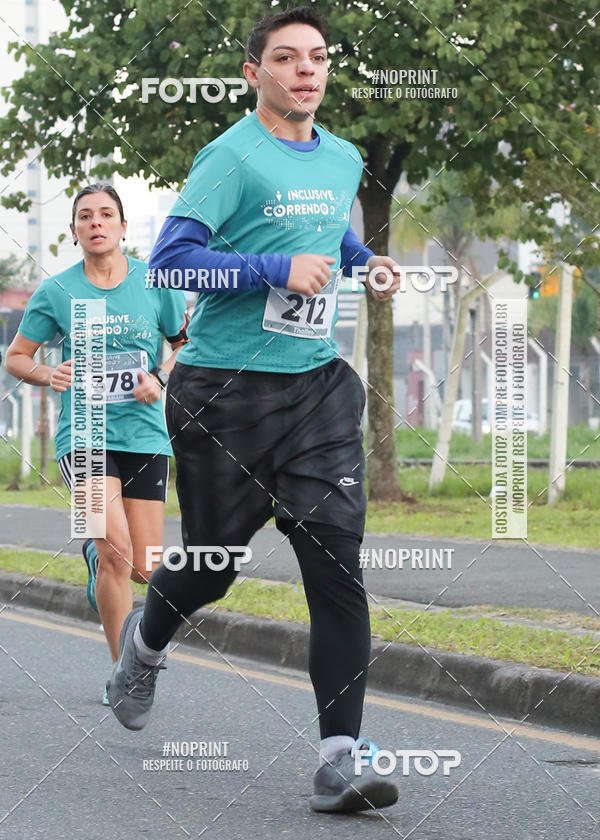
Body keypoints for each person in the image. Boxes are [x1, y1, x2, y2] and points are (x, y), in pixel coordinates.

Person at [107, 7, 401, 813]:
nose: (307, 70)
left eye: (317, 58)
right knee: (212, 568)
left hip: (315, 389)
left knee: (337, 563)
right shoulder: (230, 157)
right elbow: (170, 263)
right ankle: (145, 642)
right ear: (253, 73)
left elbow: (326, 235)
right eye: (286, 58)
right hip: (224, 394)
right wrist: (273, 268)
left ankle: (339, 760)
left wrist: (363, 261)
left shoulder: (341, 158)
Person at [5, 184, 188, 704]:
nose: (96, 223)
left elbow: (183, 343)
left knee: (146, 566)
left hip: (146, 434)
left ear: (124, 227)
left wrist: (160, 375)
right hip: (83, 435)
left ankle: (96, 562)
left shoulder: (156, 281)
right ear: (74, 231)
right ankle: (123, 675)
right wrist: (47, 373)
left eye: (106, 214)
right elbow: (16, 357)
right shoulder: (58, 291)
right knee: (117, 551)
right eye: (85, 216)